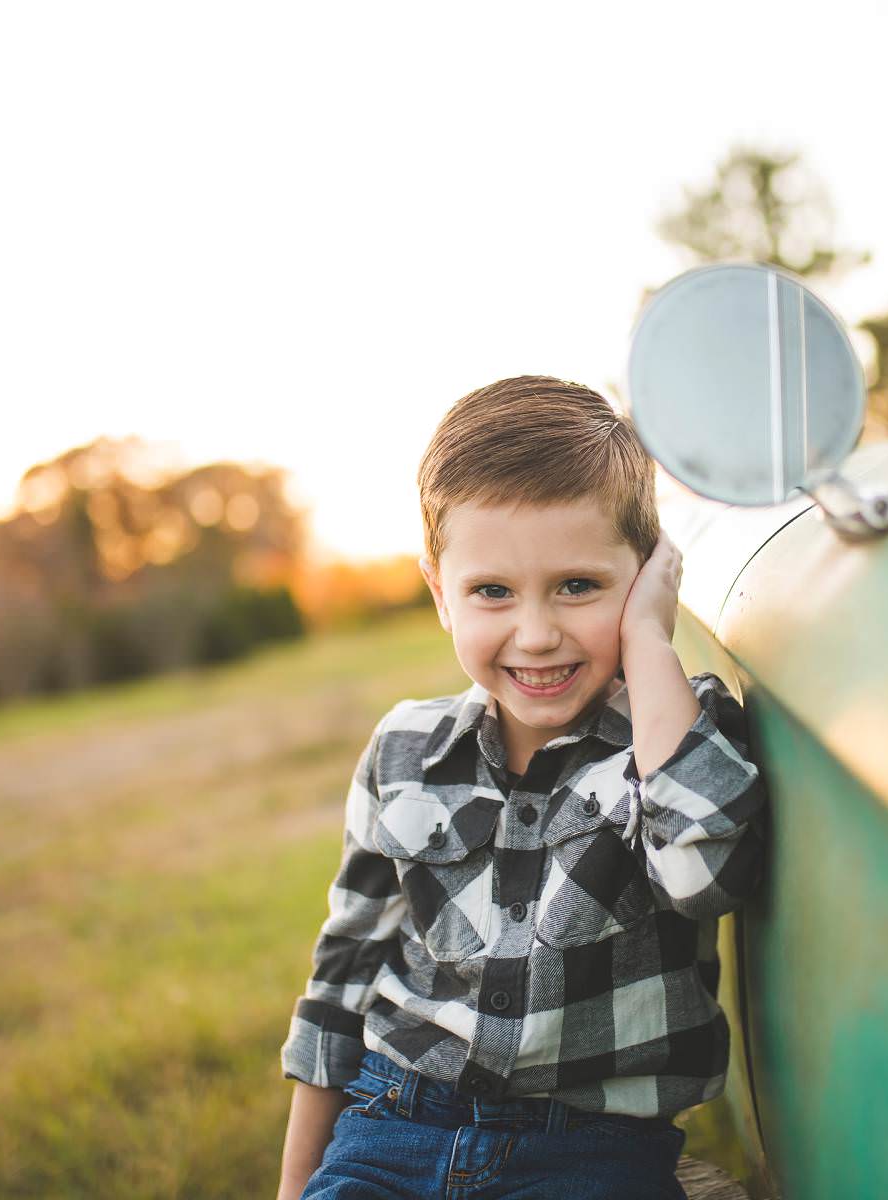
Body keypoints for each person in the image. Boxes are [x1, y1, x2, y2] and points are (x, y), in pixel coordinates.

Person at [276, 376, 765, 1199]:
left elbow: (701, 877)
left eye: (578, 586)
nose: (535, 635)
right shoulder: (403, 751)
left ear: (644, 575)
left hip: (589, 1152)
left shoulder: (678, 732)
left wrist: (648, 639)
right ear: (440, 591)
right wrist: (298, 1190)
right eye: (491, 591)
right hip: (391, 1124)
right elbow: (341, 981)